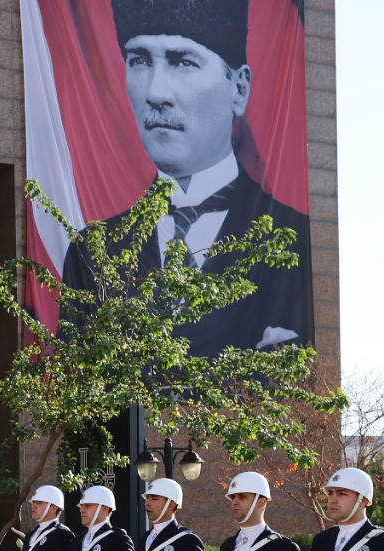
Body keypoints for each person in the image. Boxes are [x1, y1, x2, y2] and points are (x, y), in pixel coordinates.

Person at [61, 0, 311, 358]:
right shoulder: (92, 253)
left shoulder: (294, 244)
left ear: (238, 89)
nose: (155, 93)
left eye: (183, 62)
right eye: (140, 60)